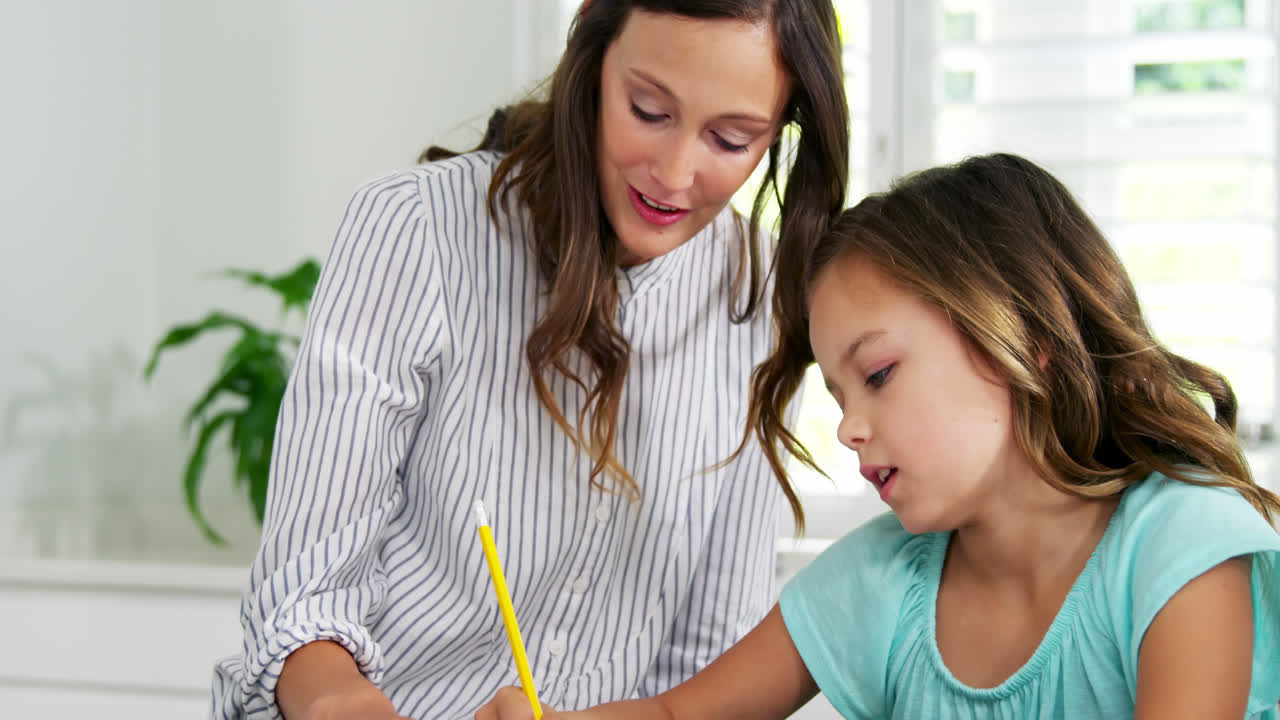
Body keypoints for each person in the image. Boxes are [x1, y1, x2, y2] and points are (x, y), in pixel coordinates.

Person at [210, 1, 850, 718]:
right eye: (647, 110)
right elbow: (301, 600)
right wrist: (339, 700)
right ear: (593, 55)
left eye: (731, 140)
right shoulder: (416, 228)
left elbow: (707, 671)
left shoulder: (764, 302)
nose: (674, 174)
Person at [477, 153, 1280, 719]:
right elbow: (678, 714)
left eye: (881, 374)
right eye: (836, 393)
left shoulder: (1182, 544)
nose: (850, 429)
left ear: (1023, 341)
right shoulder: (883, 581)